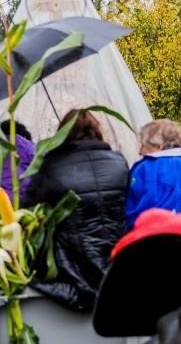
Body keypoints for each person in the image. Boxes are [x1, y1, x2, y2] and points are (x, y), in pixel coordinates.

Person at [20, 109, 129, 313]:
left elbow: (27, 212)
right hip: (117, 266)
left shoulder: (51, 167)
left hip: (71, 269)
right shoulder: (119, 163)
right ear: (97, 131)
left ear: (63, 134)